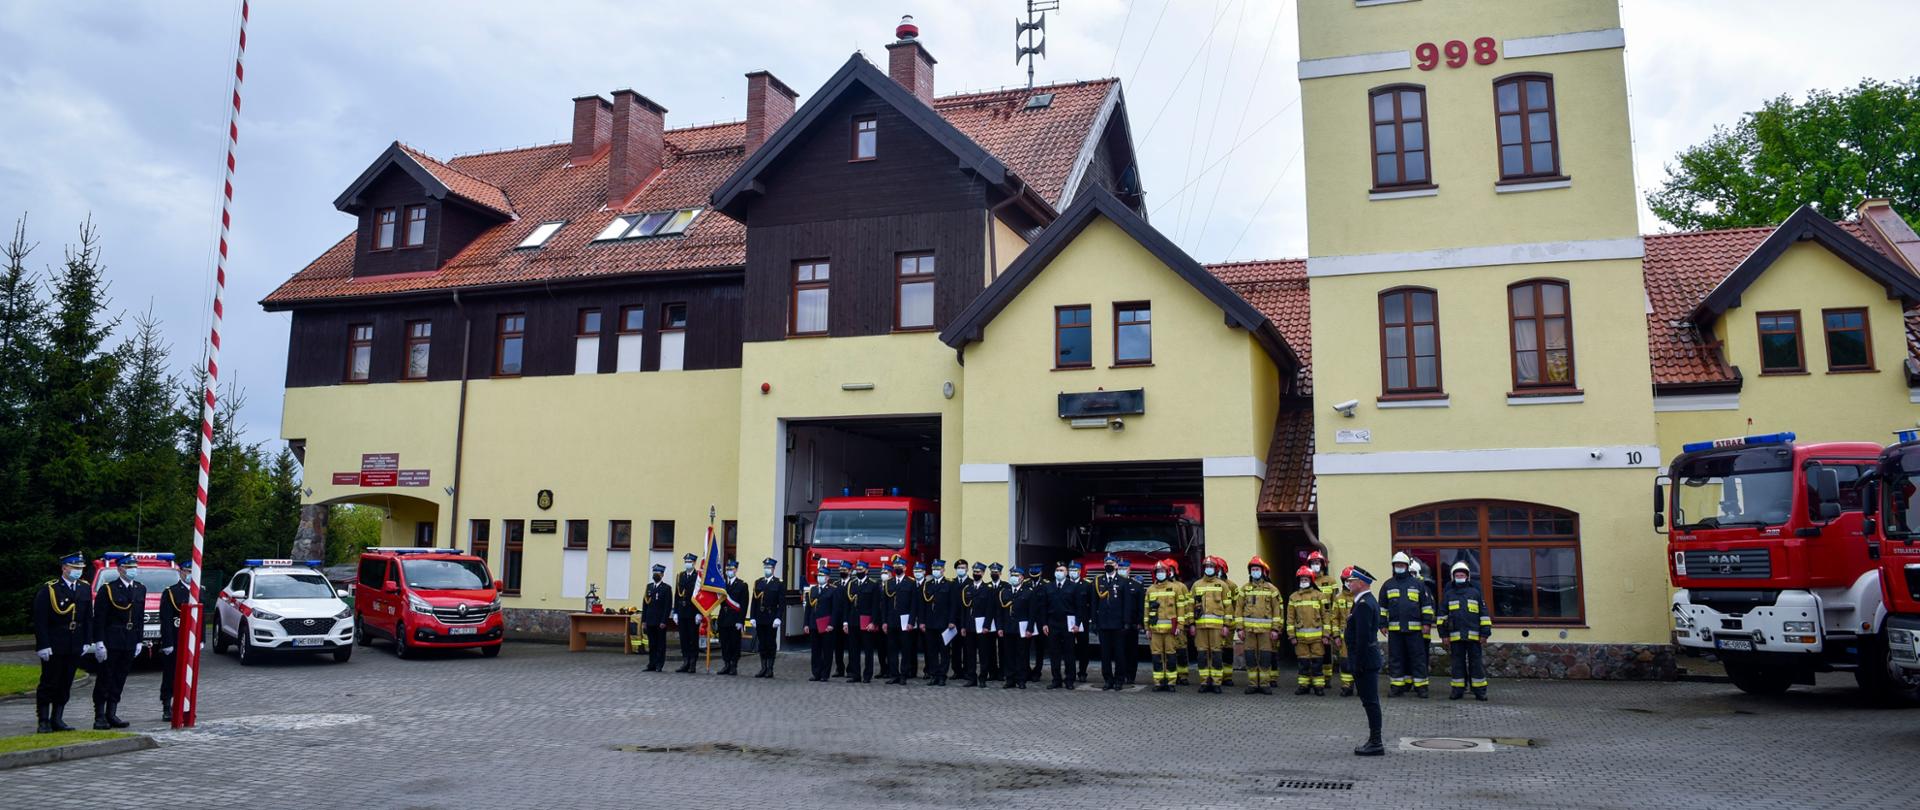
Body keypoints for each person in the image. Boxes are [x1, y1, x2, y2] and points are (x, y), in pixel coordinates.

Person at [32, 552, 93, 733]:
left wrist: (87, 640)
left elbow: (88, 617)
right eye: (74, 568)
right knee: (49, 681)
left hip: (75, 642)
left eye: (80, 568)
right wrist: (43, 644)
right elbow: (40, 620)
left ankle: (57, 718)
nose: (78, 571)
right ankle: (43, 720)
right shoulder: (50, 589)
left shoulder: (84, 588)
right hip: (55, 642)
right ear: (64, 568)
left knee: (66, 682)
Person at [91, 554, 147, 729]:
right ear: (120, 569)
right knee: (105, 677)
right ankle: (100, 715)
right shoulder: (108, 589)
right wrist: (99, 642)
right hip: (112, 639)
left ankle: (112, 713)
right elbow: (99, 618)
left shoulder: (140, 588)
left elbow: (139, 617)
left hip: (129, 639)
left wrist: (139, 640)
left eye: (134, 567)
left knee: (120, 677)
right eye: (129, 567)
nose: (132, 570)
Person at [1343, 566, 1385, 756]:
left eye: (1351, 581)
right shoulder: (1364, 601)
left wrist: (1358, 664)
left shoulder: (1364, 605)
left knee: (1371, 702)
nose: (1349, 584)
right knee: (1369, 702)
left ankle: (1376, 742)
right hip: (1366, 659)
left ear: (1361, 583)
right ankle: (1374, 740)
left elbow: (1362, 637)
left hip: (1365, 660)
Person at [1381, 551, 1435, 698]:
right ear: (1393, 566)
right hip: (1395, 631)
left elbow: (1426, 606)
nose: (1399, 567)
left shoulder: (1418, 584)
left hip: (1415, 631)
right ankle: (1397, 687)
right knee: (1396, 659)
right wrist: (1382, 624)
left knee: (1418, 659)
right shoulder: (1388, 585)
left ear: (1407, 566)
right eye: (1397, 565)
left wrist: (1426, 623)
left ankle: (1421, 687)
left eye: (1402, 565)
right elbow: (1382, 608)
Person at [1438, 561, 1492, 701]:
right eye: (1457, 575)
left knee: (1476, 664)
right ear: (1453, 577)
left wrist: (1485, 633)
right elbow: (1442, 616)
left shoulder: (1475, 593)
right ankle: (1458, 690)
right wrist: (1444, 635)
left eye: (1462, 575)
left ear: (1467, 576)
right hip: (1455, 637)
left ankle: (1479, 691)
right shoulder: (1448, 595)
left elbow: (1484, 615)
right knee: (1457, 664)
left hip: (1474, 637)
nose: (1460, 577)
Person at [1235, 557, 1283, 695]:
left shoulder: (1272, 590)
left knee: (1265, 658)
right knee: (1250, 657)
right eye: (1253, 569)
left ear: (1263, 571)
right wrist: (1239, 628)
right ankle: (1252, 684)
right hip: (1248, 631)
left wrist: (1275, 629)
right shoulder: (1244, 589)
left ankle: (1264, 684)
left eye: (1257, 569)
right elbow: (1238, 609)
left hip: (1266, 632)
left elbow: (1277, 610)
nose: (1255, 571)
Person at [1311, 551, 1355, 697]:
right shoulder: (1309, 580)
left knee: (1328, 652)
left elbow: (1332, 604)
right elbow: (1336, 614)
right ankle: (1341, 685)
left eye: (1317, 563)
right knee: (1324, 654)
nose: (1315, 565)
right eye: (1313, 563)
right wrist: (1336, 633)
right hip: (1316, 622)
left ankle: (1328, 678)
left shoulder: (1331, 581)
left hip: (1328, 621)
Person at [1189, 557, 1233, 694]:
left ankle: (1216, 682)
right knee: (1202, 655)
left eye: (1211, 566)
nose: (1209, 569)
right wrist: (1191, 624)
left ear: (1216, 569)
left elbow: (1228, 607)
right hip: (1200, 627)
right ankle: (1204, 682)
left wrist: (1226, 626)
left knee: (1216, 654)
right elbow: (1190, 606)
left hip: (1217, 628)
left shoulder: (1223, 585)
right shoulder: (1196, 585)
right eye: (1207, 566)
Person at [156, 559, 193, 717]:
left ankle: (185, 705)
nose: (189, 575)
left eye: (192, 572)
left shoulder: (197, 591)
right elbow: (165, 619)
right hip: (176, 637)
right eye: (187, 571)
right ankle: (167, 705)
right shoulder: (171, 592)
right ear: (181, 572)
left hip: (190, 638)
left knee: (188, 674)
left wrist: (201, 639)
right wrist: (168, 642)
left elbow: (201, 616)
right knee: (171, 673)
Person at [1286, 565, 1330, 696]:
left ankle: (1319, 687)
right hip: (1300, 639)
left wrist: (1326, 635)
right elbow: (1290, 618)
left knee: (1317, 664)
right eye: (1301, 579)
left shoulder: (1320, 596)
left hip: (1318, 639)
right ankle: (1303, 686)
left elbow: (1326, 617)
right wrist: (1291, 636)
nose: (1303, 581)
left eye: (1306, 579)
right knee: (1303, 664)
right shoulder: (1293, 597)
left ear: (1311, 580)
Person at [1143, 559, 1186, 692]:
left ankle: (1171, 682)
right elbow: (1146, 610)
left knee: (1171, 656)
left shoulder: (1176, 588)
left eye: (1162, 571)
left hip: (1170, 631)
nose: (1160, 573)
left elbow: (1181, 609)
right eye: (1158, 571)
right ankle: (1158, 682)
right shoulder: (1150, 590)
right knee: (1156, 657)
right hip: (1155, 630)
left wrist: (1179, 626)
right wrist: (1147, 628)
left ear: (1167, 573)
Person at [1092, 556, 1131, 691]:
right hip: (1103, 624)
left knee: (1119, 653)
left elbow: (1127, 604)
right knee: (1105, 654)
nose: (1109, 564)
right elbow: (1094, 603)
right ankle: (1108, 679)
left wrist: (1126, 621)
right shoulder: (1098, 581)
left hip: (1118, 624)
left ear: (1116, 565)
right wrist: (1094, 621)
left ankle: (1119, 679)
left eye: (1111, 562)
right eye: (1106, 563)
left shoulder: (1123, 581)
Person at [1040, 562, 1078, 689]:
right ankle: (1056, 679)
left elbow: (1079, 607)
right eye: (1057, 570)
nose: (1059, 572)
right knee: (1054, 653)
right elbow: (1044, 606)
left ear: (1066, 573)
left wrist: (1077, 623)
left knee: (1069, 653)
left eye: (1061, 570)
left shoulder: (1073, 586)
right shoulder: (1048, 587)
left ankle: (1069, 679)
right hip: (1053, 623)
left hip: (1068, 623)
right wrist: (1044, 623)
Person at [920, 559, 957, 686]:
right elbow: (923, 605)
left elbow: (953, 605)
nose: (936, 571)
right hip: (930, 622)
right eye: (934, 569)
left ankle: (942, 676)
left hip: (944, 623)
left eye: (938, 569)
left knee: (944, 651)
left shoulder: (949, 585)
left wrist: (952, 620)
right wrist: (922, 621)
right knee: (932, 651)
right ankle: (934, 674)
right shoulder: (928, 584)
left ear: (943, 570)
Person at [843, 561, 879, 683]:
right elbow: (847, 605)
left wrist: (873, 622)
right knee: (853, 650)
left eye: (861, 569)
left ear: (867, 571)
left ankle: (867, 675)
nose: (859, 571)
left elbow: (875, 605)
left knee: (868, 650)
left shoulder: (873, 584)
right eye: (857, 569)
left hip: (866, 622)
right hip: (853, 621)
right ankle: (855, 674)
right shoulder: (851, 584)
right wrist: (845, 622)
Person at [971, 563, 1006, 687]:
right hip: (984, 622)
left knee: (1002, 649)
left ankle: (1002, 672)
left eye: (996, 572)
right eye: (992, 572)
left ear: (1000, 573)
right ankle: (992, 672)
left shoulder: (1004, 586)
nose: (994, 574)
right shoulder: (986, 586)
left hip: (999, 621)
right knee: (989, 649)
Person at [999, 566, 1034, 689]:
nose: (1014, 578)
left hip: (1022, 628)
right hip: (1008, 627)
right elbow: (1000, 612)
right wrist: (1000, 627)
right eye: (1012, 575)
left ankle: (1021, 679)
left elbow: (1032, 612)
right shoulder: (1005, 591)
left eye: (1016, 575)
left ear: (1022, 578)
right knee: (1009, 654)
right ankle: (1010, 679)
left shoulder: (1028, 592)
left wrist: (1030, 628)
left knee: (1021, 654)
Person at [881, 561, 914, 685]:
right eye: (895, 567)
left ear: (905, 568)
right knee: (891, 649)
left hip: (905, 620)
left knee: (906, 649)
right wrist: (884, 621)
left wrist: (911, 621)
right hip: (891, 620)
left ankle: (904, 674)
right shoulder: (889, 583)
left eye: (899, 567)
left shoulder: (910, 583)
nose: (897, 568)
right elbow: (884, 605)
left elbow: (913, 604)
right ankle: (894, 674)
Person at [751, 558, 784, 678]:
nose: (767, 570)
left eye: (769, 568)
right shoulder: (758, 582)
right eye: (765, 567)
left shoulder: (779, 583)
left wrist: (778, 617)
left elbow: (781, 603)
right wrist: (752, 617)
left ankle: (770, 668)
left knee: (770, 643)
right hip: (760, 617)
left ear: (773, 569)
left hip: (771, 617)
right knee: (762, 643)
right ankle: (763, 667)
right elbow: (754, 601)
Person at [803, 564, 837, 681]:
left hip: (826, 624)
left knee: (827, 650)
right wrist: (806, 624)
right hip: (813, 624)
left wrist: (832, 624)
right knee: (815, 650)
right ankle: (816, 673)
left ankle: (825, 674)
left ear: (827, 577)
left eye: (822, 575)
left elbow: (835, 609)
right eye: (819, 575)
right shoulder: (812, 590)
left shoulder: (832, 590)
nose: (820, 577)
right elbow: (808, 609)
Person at [716, 560, 750, 675]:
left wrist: (741, 621)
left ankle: (733, 665)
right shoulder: (722, 585)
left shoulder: (742, 585)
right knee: (724, 643)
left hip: (735, 619)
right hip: (723, 618)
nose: (729, 571)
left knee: (734, 643)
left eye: (731, 569)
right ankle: (726, 664)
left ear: (736, 570)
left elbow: (744, 605)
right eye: (727, 569)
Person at [641, 563, 673, 672]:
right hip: (650, 620)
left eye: (658, 573)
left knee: (660, 644)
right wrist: (644, 620)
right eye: (654, 572)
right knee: (652, 644)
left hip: (660, 621)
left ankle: (659, 664)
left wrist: (664, 621)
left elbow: (667, 606)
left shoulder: (666, 588)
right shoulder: (649, 587)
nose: (655, 574)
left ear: (662, 575)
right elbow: (645, 605)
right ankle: (652, 664)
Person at [673, 552, 701, 673]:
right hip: (682, 611)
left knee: (693, 638)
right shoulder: (680, 576)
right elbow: (677, 595)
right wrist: (675, 612)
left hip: (693, 612)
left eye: (689, 562)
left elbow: (701, 596)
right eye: (686, 562)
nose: (687, 564)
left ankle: (693, 662)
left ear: (694, 563)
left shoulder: (698, 576)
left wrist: (699, 613)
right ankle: (685, 661)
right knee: (683, 638)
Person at [1116, 559, 1142, 685]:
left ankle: (1131, 675)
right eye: (1120, 568)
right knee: (1119, 651)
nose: (1122, 571)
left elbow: (1140, 605)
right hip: (1118, 623)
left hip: (1132, 623)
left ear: (1129, 570)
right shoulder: (1114, 584)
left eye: (1124, 568)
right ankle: (1120, 674)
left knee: (1132, 651)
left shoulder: (1136, 585)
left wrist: (1140, 622)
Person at [1068, 561, 1094, 683]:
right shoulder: (1065, 584)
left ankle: (1082, 672)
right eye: (1071, 570)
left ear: (1079, 571)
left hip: (1083, 620)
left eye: (1075, 570)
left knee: (1083, 647)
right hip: (1068, 619)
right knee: (1069, 647)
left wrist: (1091, 618)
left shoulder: (1087, 584)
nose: (1072, 572)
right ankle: (1070, 672)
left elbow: (1092, 603)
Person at [951, 559, 974, 681]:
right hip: (955, 620)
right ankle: (956, 671)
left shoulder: (971, 583)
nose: (961, 569)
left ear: (967, 569)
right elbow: (950, 604)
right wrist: (950, 620)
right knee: (955, 647)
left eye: (963, 567)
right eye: (959, 568)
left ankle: (967, 671)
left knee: (967, 647)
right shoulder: (952, 583)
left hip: (967, 620)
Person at [903, 562, 926, 680]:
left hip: (924, 620)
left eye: (919, 571)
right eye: (915, 571)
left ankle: (928, 671)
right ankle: (911, 670)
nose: (917, 573)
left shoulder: (928, 584)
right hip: (911, 620)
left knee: (927, 646)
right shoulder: (911, 584)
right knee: (910, 646)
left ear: (924, 572)